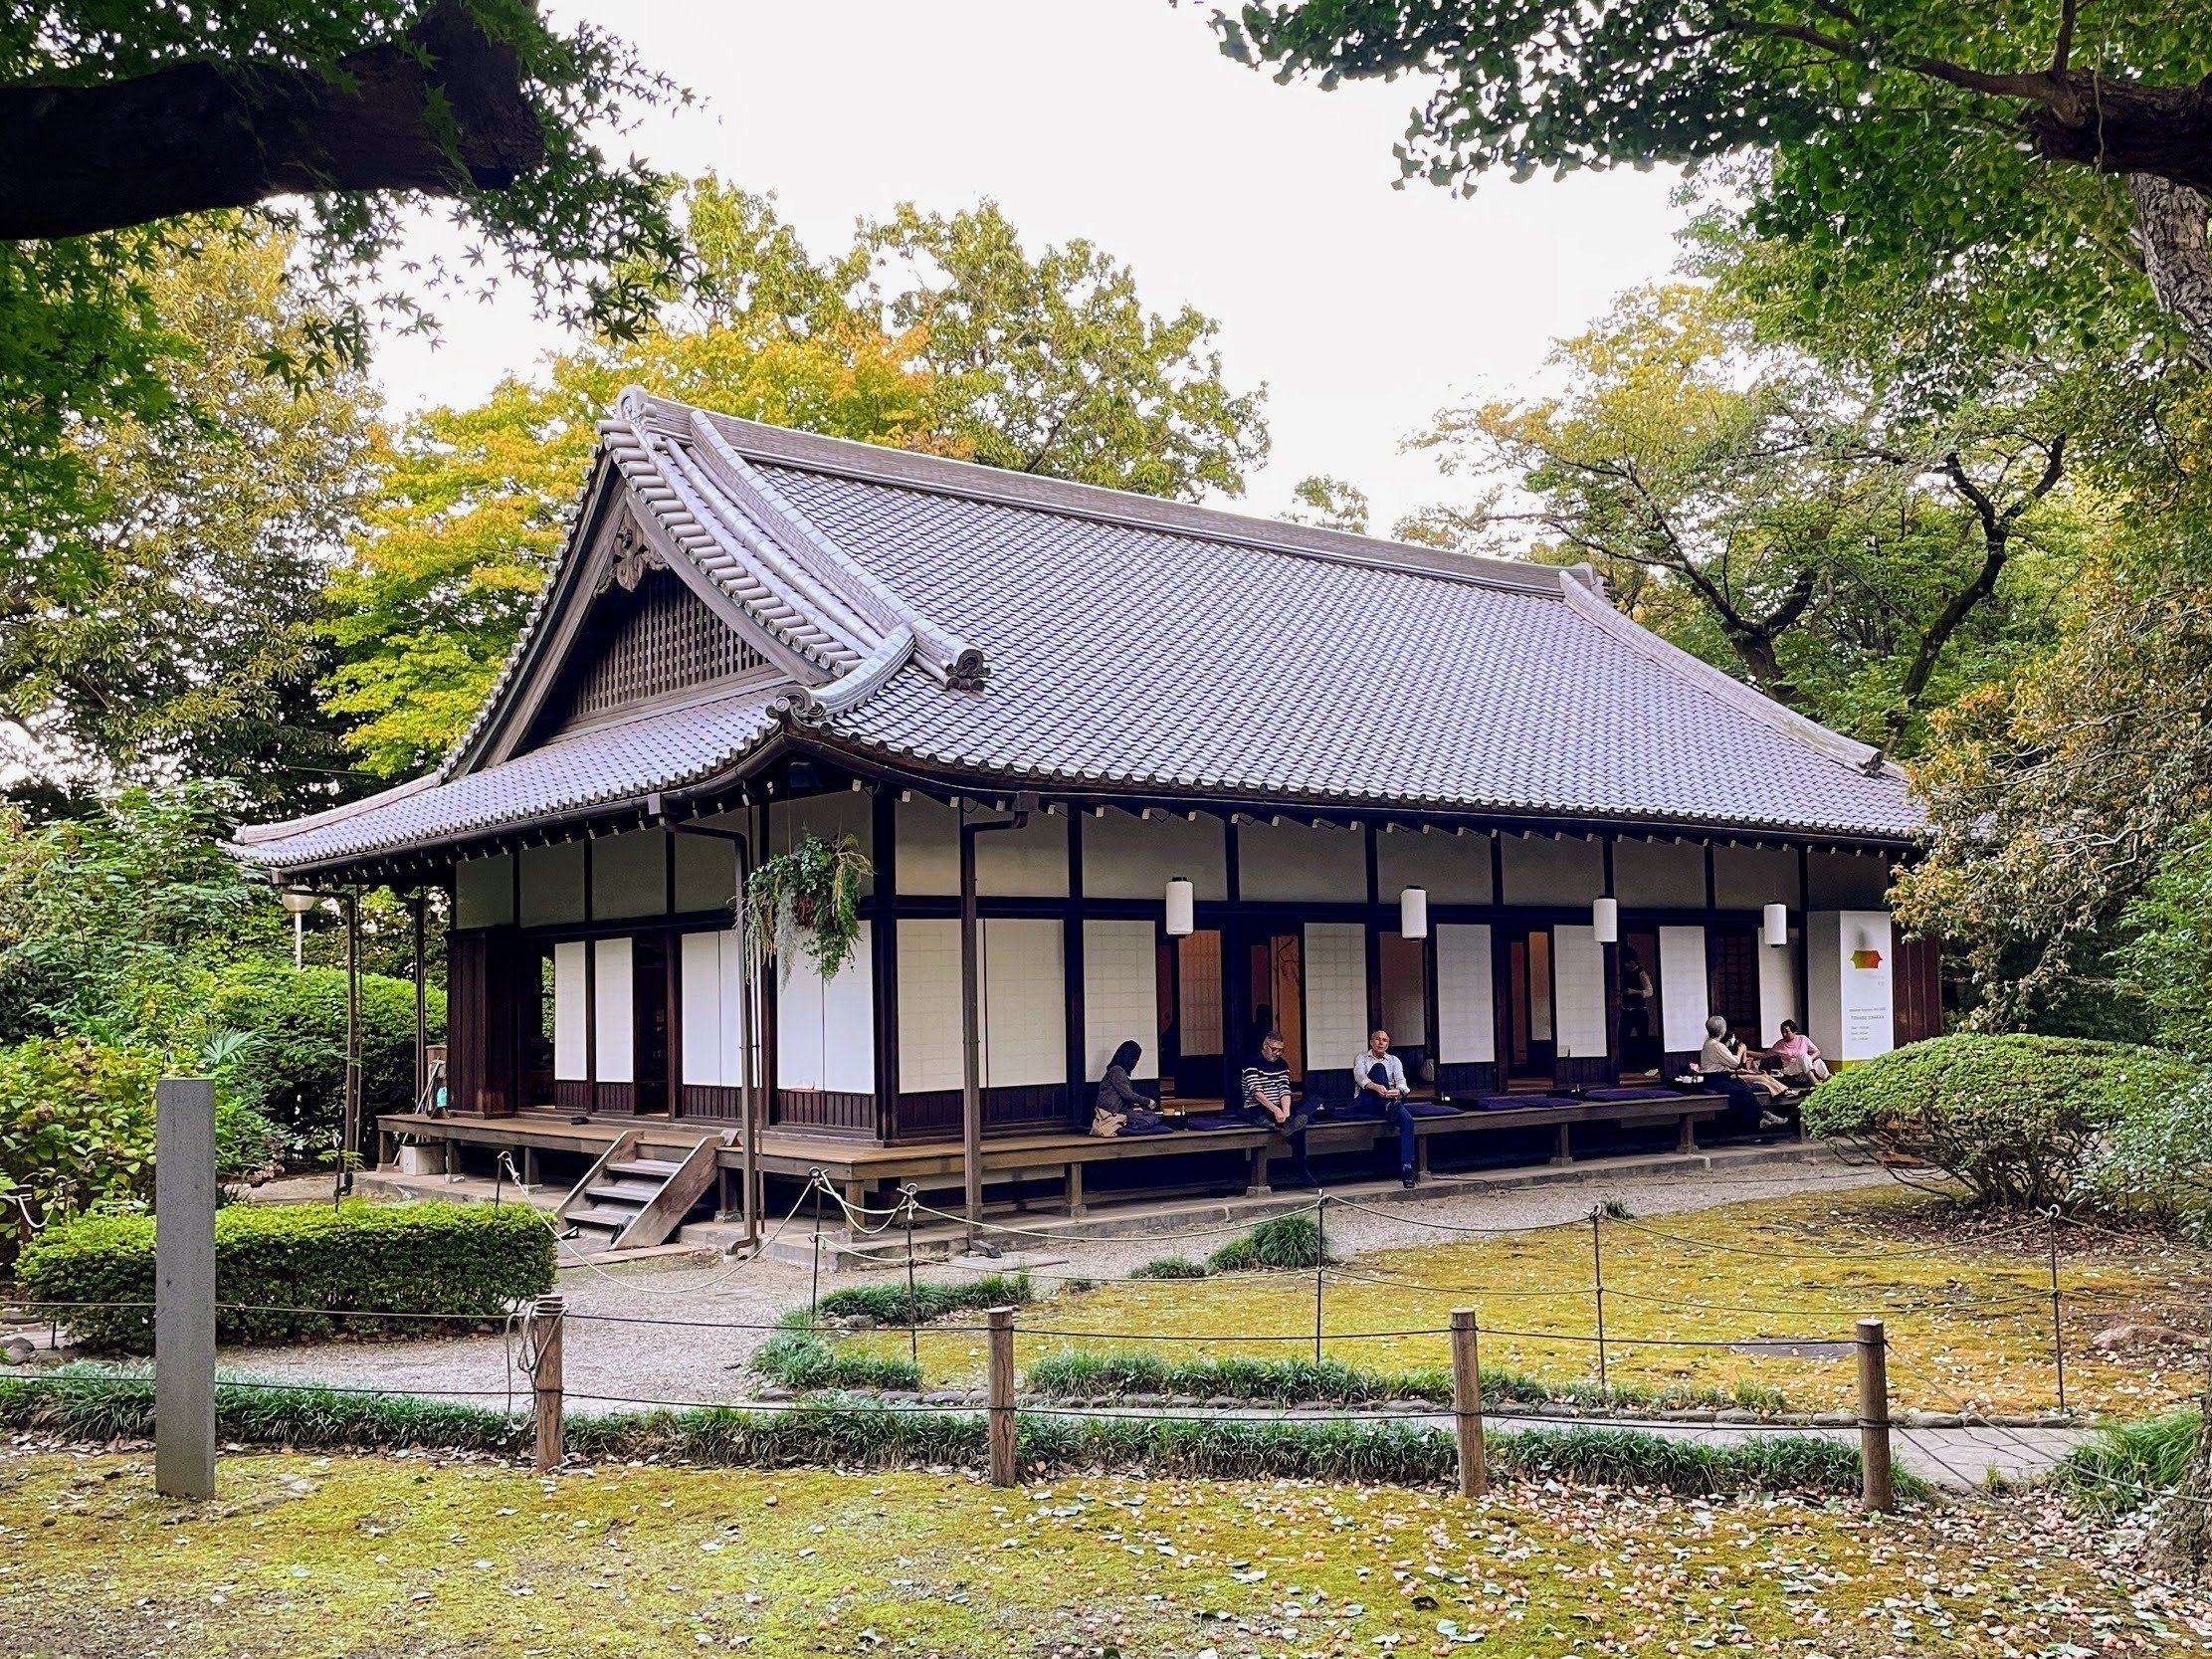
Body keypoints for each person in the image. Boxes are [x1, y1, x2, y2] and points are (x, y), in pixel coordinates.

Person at [1241, 1029, 1315, 1185]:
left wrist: (1285, 1112)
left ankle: (1288, 1126)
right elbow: (1257, 1093)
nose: (1277, 1053)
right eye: (1274, 1049)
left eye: (1280, 1050)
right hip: (1259, 1106)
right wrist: (1276, 1111)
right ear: (1265, 1045)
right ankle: (1300, 1166)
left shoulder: (1282, 1064)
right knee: (1297, 1125)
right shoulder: (1252, 1062)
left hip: (1280, 1107)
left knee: (1312, 1102)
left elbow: (1284, 1090)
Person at [1699, 1014, 1790, 1133]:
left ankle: (1762, 1116)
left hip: (1717, 1076)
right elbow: (1735, 1063)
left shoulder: (1709, 1043)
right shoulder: (1716, 1045)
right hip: (1715, 1079)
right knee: (1741, 1091)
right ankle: (1760, 1117)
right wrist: (1741, 1051)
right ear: (1722, 1029)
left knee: (1743, 1086)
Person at [1354, 1027, 1420, 1189]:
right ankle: (1390, 1108)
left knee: (1407, 1120)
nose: (1380, 1042)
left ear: (1388, 1044)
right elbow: (1360, 1077)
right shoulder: (1362, 1058)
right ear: (1371, 1042)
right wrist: (1376, 1087)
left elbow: (1402, 1082)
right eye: (1377, 1039)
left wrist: (1399, 1090)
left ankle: (1407, 1167)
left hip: (1389, 1099)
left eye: (1384, 1040)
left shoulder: (1394, 1060)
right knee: (1379, 1070)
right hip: (1367, 1098)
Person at [1093, 1039, 1169, 1136]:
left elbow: (1124, 1097)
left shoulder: (1118, 1071)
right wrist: (1148, 1101)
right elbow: (1128, 1095)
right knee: (1147, 1121)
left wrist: (1134, 1108)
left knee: (1152, 1115)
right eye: (1136, 1059)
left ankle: (1126, 1124)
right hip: (1112, 1113)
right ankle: (1122, 1126)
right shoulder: (1117, 1071)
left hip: (1121, 1110)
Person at [1769, 1020, 1828, 1086]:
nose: (1784, 1034)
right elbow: (1765, 1054)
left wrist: (1808, 1060)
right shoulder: (1780, 1044)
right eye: (1782, 1032)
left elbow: (1817, 1052)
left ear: (1794, 1032)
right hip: (1791, 1069)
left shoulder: (1803, 1039)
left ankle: (1827, 1080)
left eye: (1786, 1032)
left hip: (1804, 1069)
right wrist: (1754, 1053)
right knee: (1805, 1057)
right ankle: (1815, 1082)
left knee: (1818, 1061)